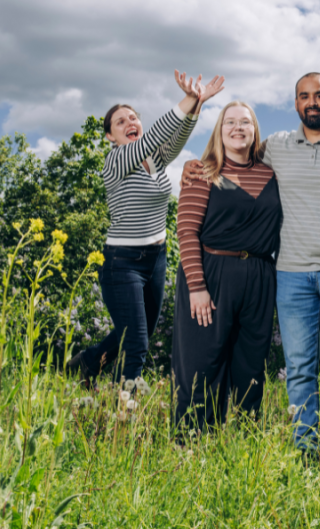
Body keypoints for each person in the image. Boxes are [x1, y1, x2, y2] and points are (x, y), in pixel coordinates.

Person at [182, 72, 320, 453]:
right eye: (304, 96)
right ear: (295, 104)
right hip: (291, 277)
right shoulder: (276, 147)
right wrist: (197, 166)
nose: (312, 102)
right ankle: (304, 450)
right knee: (298, 371)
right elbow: (230, 160)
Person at [67, 70, 225, 387]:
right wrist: (189, 98)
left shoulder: (153, 161)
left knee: (138, 332)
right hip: (122, 262)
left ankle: (85, 363)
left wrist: (198, 105)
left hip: (156, 258)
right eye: (120, 122)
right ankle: (126, 413)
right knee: (136, 344)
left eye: (133, 118)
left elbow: (176, 137)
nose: (130, 124)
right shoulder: (117, 161)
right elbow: (155, 135)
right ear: (111, 136)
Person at [171, 101, 281, 431]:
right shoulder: (203, 172)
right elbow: (187, 231)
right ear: (219, 130)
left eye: (244, 122)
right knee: (201, 365)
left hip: (260, 277)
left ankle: (244, 444)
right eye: (229, 122)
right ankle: (191, 444)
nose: (237, 128)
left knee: (250, 367)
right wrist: (197, 287)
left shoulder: (272, 175)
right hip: (212, 273)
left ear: (254, 130)